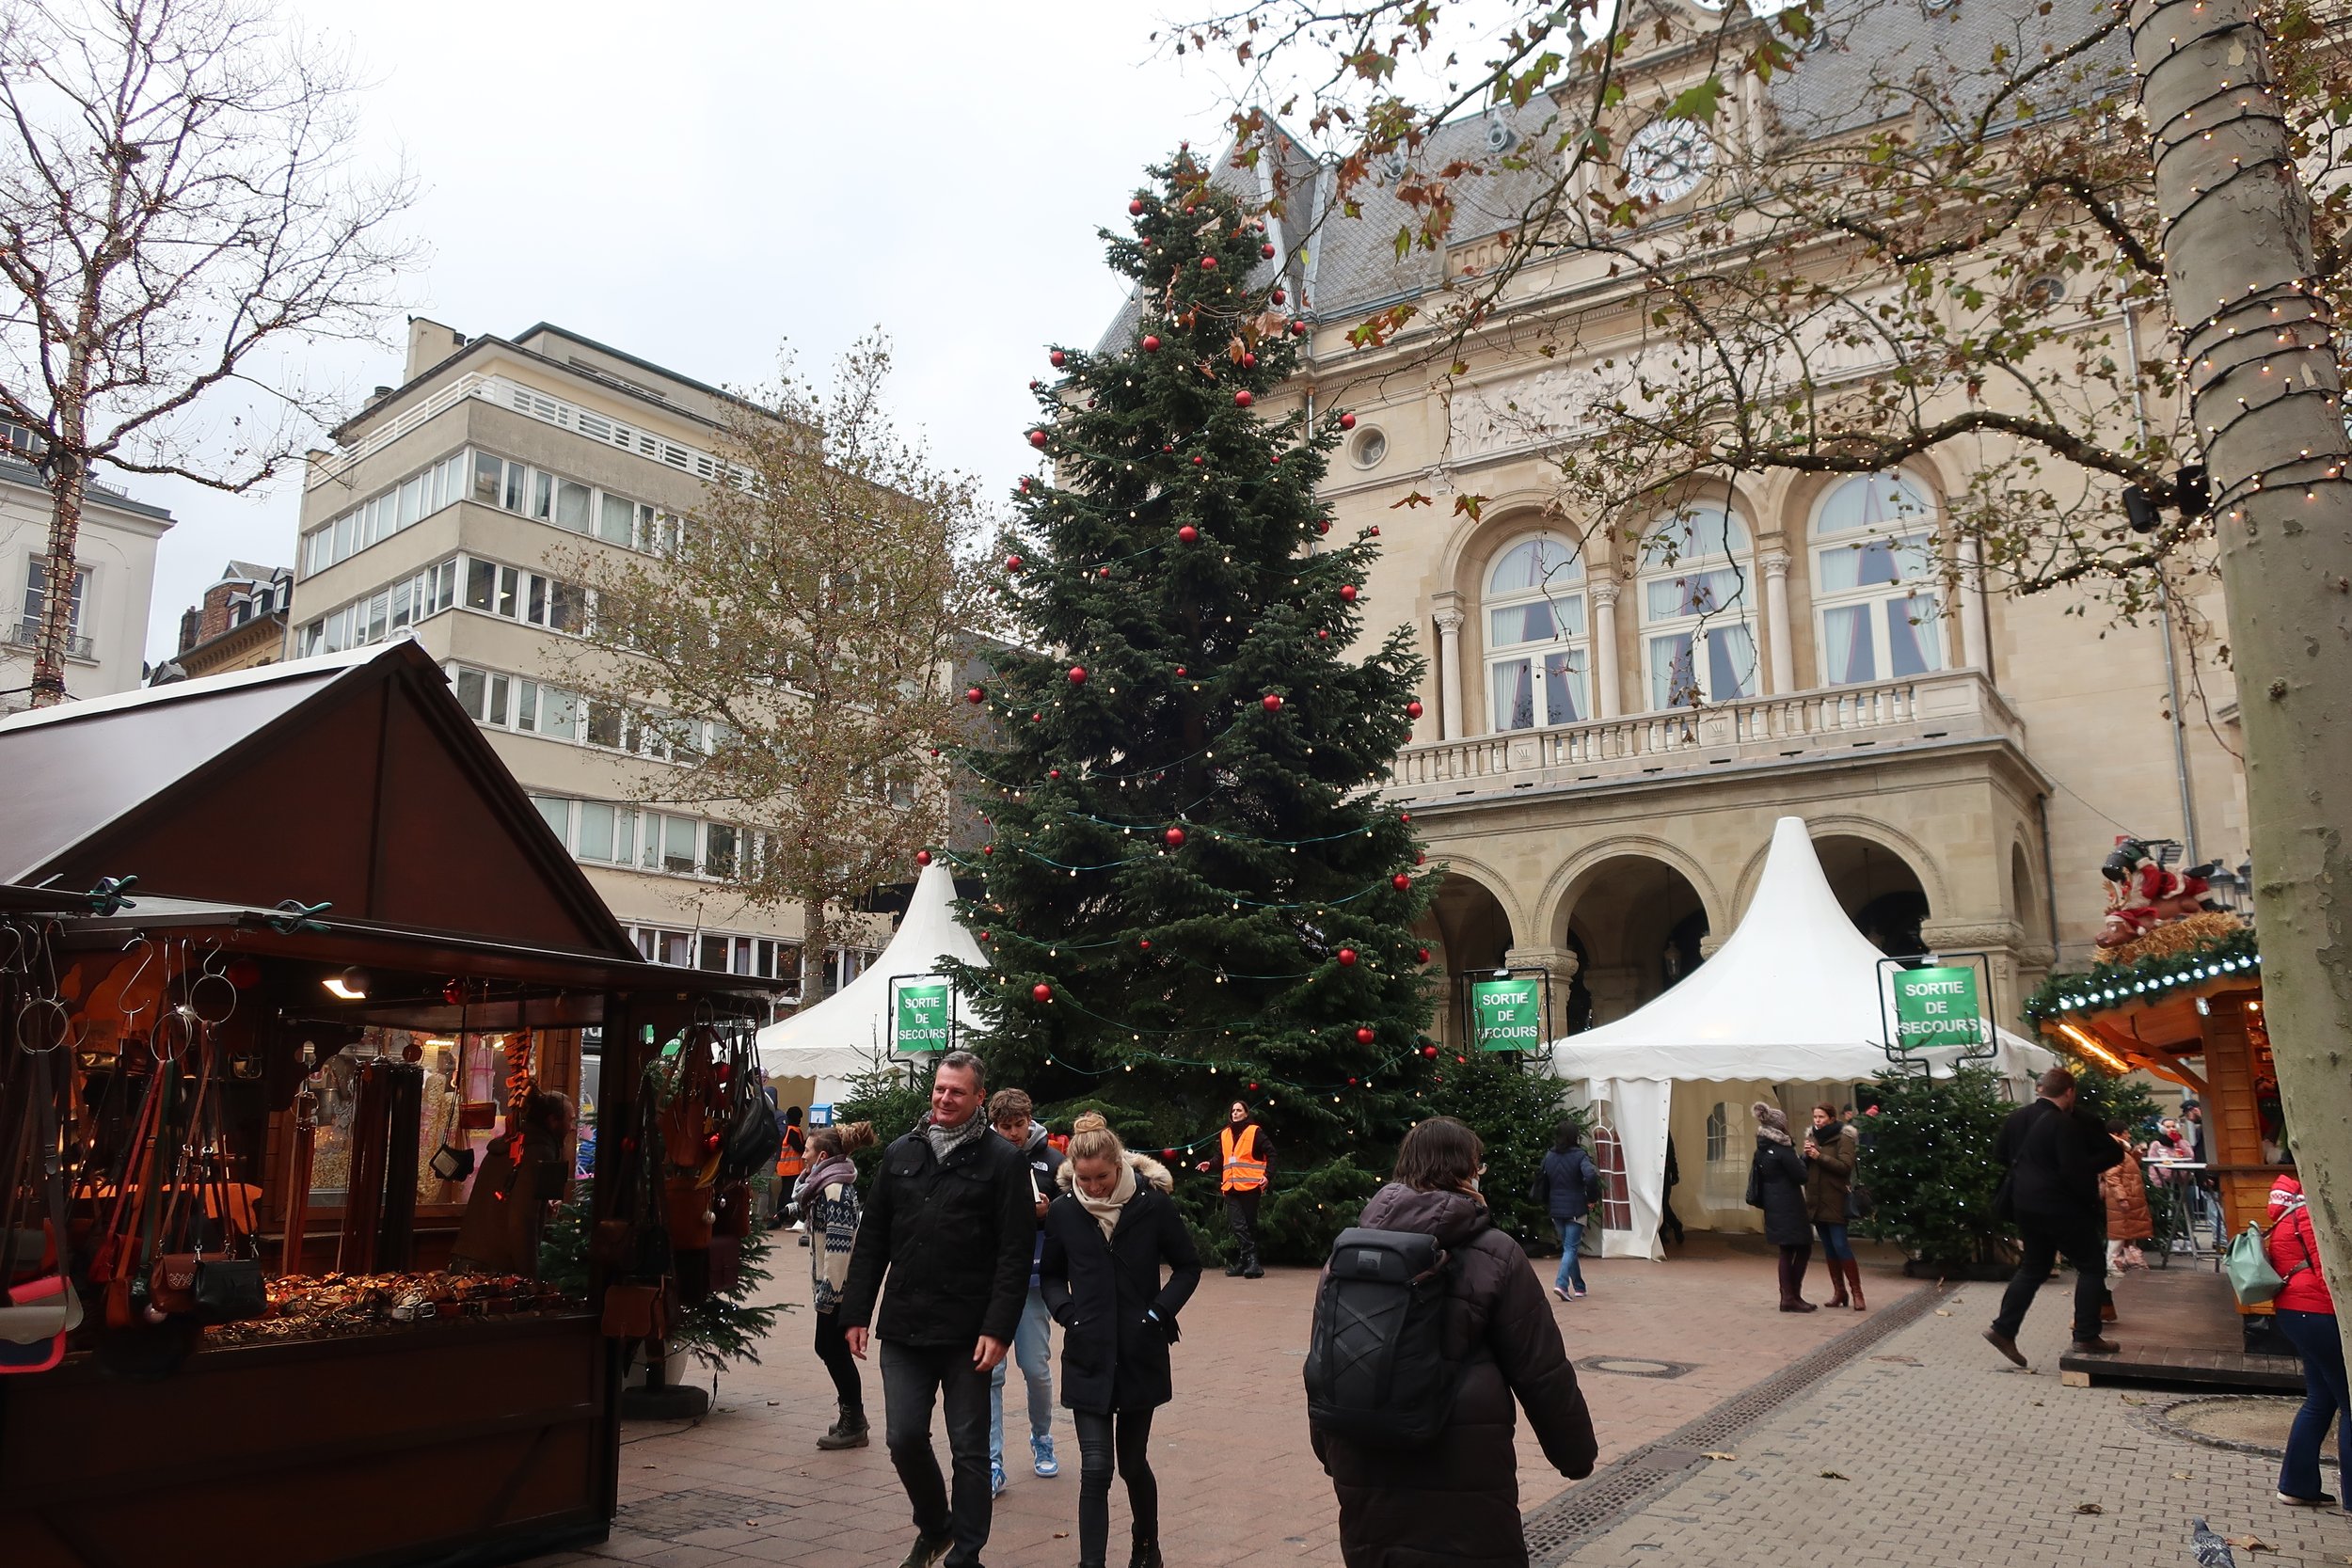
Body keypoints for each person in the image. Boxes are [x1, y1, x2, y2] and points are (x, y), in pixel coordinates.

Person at [1314, 1116, 1597, 1567]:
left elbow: (1327, 1358)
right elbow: (1541, 1369)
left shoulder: (1347, 1255)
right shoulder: (1496, 1252)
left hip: (1364, 1456)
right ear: (1465, 1171)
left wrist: (1329, 1447)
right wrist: (1575, 1455)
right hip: (1462, 1459)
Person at [838, 1052, 1035, 1568]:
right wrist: (856, 1312)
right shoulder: (903, 1152)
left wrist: (999, 1328)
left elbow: (1014, 1254)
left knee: (970, 1450)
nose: (945, 1098)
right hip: (904, 1325)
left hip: (969, 1331)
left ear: (978, 1099)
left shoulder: (1003, 1161)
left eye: (957, 1092)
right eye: (940, 1089)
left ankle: (965, 1556)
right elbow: (872, 1238)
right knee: (902, 1437)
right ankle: (935, 1525)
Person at [1039, 1113, 1200, 1568]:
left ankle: (1146, 1549)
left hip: (1138, 1353)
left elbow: (1188, 1267)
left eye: (1102, 1178)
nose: (1093, 1188)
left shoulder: (1152, 1206)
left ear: (1119, 1166)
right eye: (1084, 1179)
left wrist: (1158, 1312)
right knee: (1095, 1468)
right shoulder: (1066, 1211)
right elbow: (1051, 1274)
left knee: (1131, 1463)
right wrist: (1068, 1314)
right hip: (1088, 1353)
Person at [1983, 1067, 2124, 1367]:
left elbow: (1999, 1155)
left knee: (2034, 1266)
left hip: (2024, 1203)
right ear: (2070, 1091)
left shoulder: (2016, 1118)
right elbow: (2072, 1172)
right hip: (2060, 1205)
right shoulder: (2065, 1124)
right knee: (2091, 1265)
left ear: (2040, 1089)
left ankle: (2003, 1329)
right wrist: (2089, 1204)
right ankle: (2086, 1334)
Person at [985, 1087, 1062, 1496]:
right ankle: (992, 1460)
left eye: (1019, 1125)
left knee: (1036, 1369)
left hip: (1032, 1282)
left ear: (1029, 1120)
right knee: (991, 1373)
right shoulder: (984, 1156)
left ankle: (1042, 1437)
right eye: (1005, 1126)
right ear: (993, 1124)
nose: (1013, 1133)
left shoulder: (1051, 1161)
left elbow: (1074, 1208)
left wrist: (1050, 1212)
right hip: (992, 1280)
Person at [2265, 1171, 2347, 1511]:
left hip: (2294, 1312)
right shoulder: (2311, 1213)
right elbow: (2331, 1271)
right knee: (2350, 1405)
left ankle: (2297, 1486)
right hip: (2320, 1314)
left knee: (2320, 1400)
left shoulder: (2287, 1209)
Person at [803, 1119, 879, 1449]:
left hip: (836, 1288)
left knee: (830, 1347)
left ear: (821, 1157)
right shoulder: (826, 1184)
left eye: (806, 1150)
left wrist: (830, 1292)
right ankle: (851, 1416)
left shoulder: (835, 1189)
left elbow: (840, 1243)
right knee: (829, 1347)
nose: (802, 1155)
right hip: (831, 1284)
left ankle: (855, 1421)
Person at [1748, 1102, 1816, 1312]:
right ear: (1781, 1126)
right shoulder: (1783, 1149)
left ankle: (1788, 1295)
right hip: (1790, 1204)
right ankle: (1792, 1295)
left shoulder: (1761, 1150)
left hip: (1772, 1204)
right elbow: (1801, 1175)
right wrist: (1805, 1160)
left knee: (1786, 1249)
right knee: (1803, 1247)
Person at [1196, 1100, 1270, 1278]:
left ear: (1246, 1113)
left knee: (1249, 1225)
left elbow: (1272, 1153)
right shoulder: (1225, 1134)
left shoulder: (1255, 1132)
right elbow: (1222, 1157)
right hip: (1230, 1186)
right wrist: (1210, 1164)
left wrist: (1268, 1176)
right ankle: (1252, 1260)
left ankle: (1246, 1262)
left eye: (1239, 1110)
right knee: (1238, 1224)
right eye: (1233, 1111)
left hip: (1250, 1186)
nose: (1235, 1113)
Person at [1803, 1104, 1864, 1311]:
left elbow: (1845, 1167)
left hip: (1835, 1199)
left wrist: (1820, 1156)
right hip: (1816, 1200)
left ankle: (1857, 1292)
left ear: (1831, 1118)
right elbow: (1807, 1169)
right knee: (1828, 1248)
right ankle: (1839, 1291)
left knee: (1840, 1245)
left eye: (1821, 1117)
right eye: (1815, 1116)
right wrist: (1806, 1157)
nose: (1817, 1120)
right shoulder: (1812, 1136)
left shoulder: (1843, 1137)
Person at [1532, 1120, 1598, 1302]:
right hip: (1576, 1207)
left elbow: (1542, 1177)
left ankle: (1579, 1287)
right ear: (1575, 1135)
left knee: (1570, 1248)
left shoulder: (1550, 1155)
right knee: (1570, 1248)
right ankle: (1561, 1284)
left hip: (1556, 1209)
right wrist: (1592, 1198)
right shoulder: (1579, 1155)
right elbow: (1591, 1175)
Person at [2099, 1118, 2153, 1290]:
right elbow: (2112, 1176)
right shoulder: (2115, 1150)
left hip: (2128, 1197)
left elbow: (2127, 1167)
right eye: (2126, 1132)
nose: (2129, 1135)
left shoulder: (2120, 1150)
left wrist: (2136, 1154)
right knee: (2119, 1233)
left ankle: (2122, 1262)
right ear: (2117, 1134)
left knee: (2125, 1232)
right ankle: (2112, 1264)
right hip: (2121, 1198)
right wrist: (2122, 1197)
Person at [776, 1104, 807, 1234]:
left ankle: (780, 1213)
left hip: (784, 1166)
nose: (800, 1120)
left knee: (784, 1191)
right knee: (789, 1192)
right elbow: (799, 1148)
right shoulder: (793, 1131)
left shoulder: (785, 1129)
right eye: (799, 1118)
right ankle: (787, 1215)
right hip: (792, 1168)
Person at [1659, 1134, 1687, 1246]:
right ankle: (1668, 1229)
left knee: (1663, 1204)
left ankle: (1673, 1226)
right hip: (1655, 1171)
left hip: (1664, 1171)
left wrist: (1674, 1173)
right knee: (1661, 1204)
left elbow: (1671, 1153)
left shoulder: (1664, 1131)